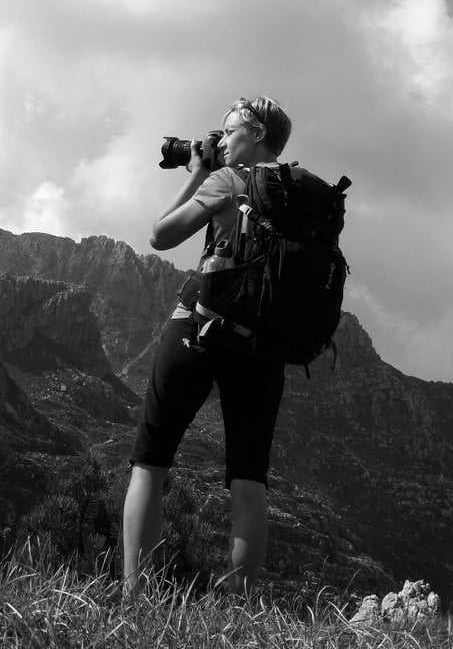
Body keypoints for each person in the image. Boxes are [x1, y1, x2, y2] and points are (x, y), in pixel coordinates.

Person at [122, 95, 292, 600]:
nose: (219, 139)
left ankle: (135, 599)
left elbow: (159, 236)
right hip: (264, 347)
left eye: (228, 128)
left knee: (150, 460)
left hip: (199, 328)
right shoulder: (300, 196)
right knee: (248, 478)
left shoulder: (228, 180)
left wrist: (197, 171)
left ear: (256, 132)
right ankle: (239, 607)